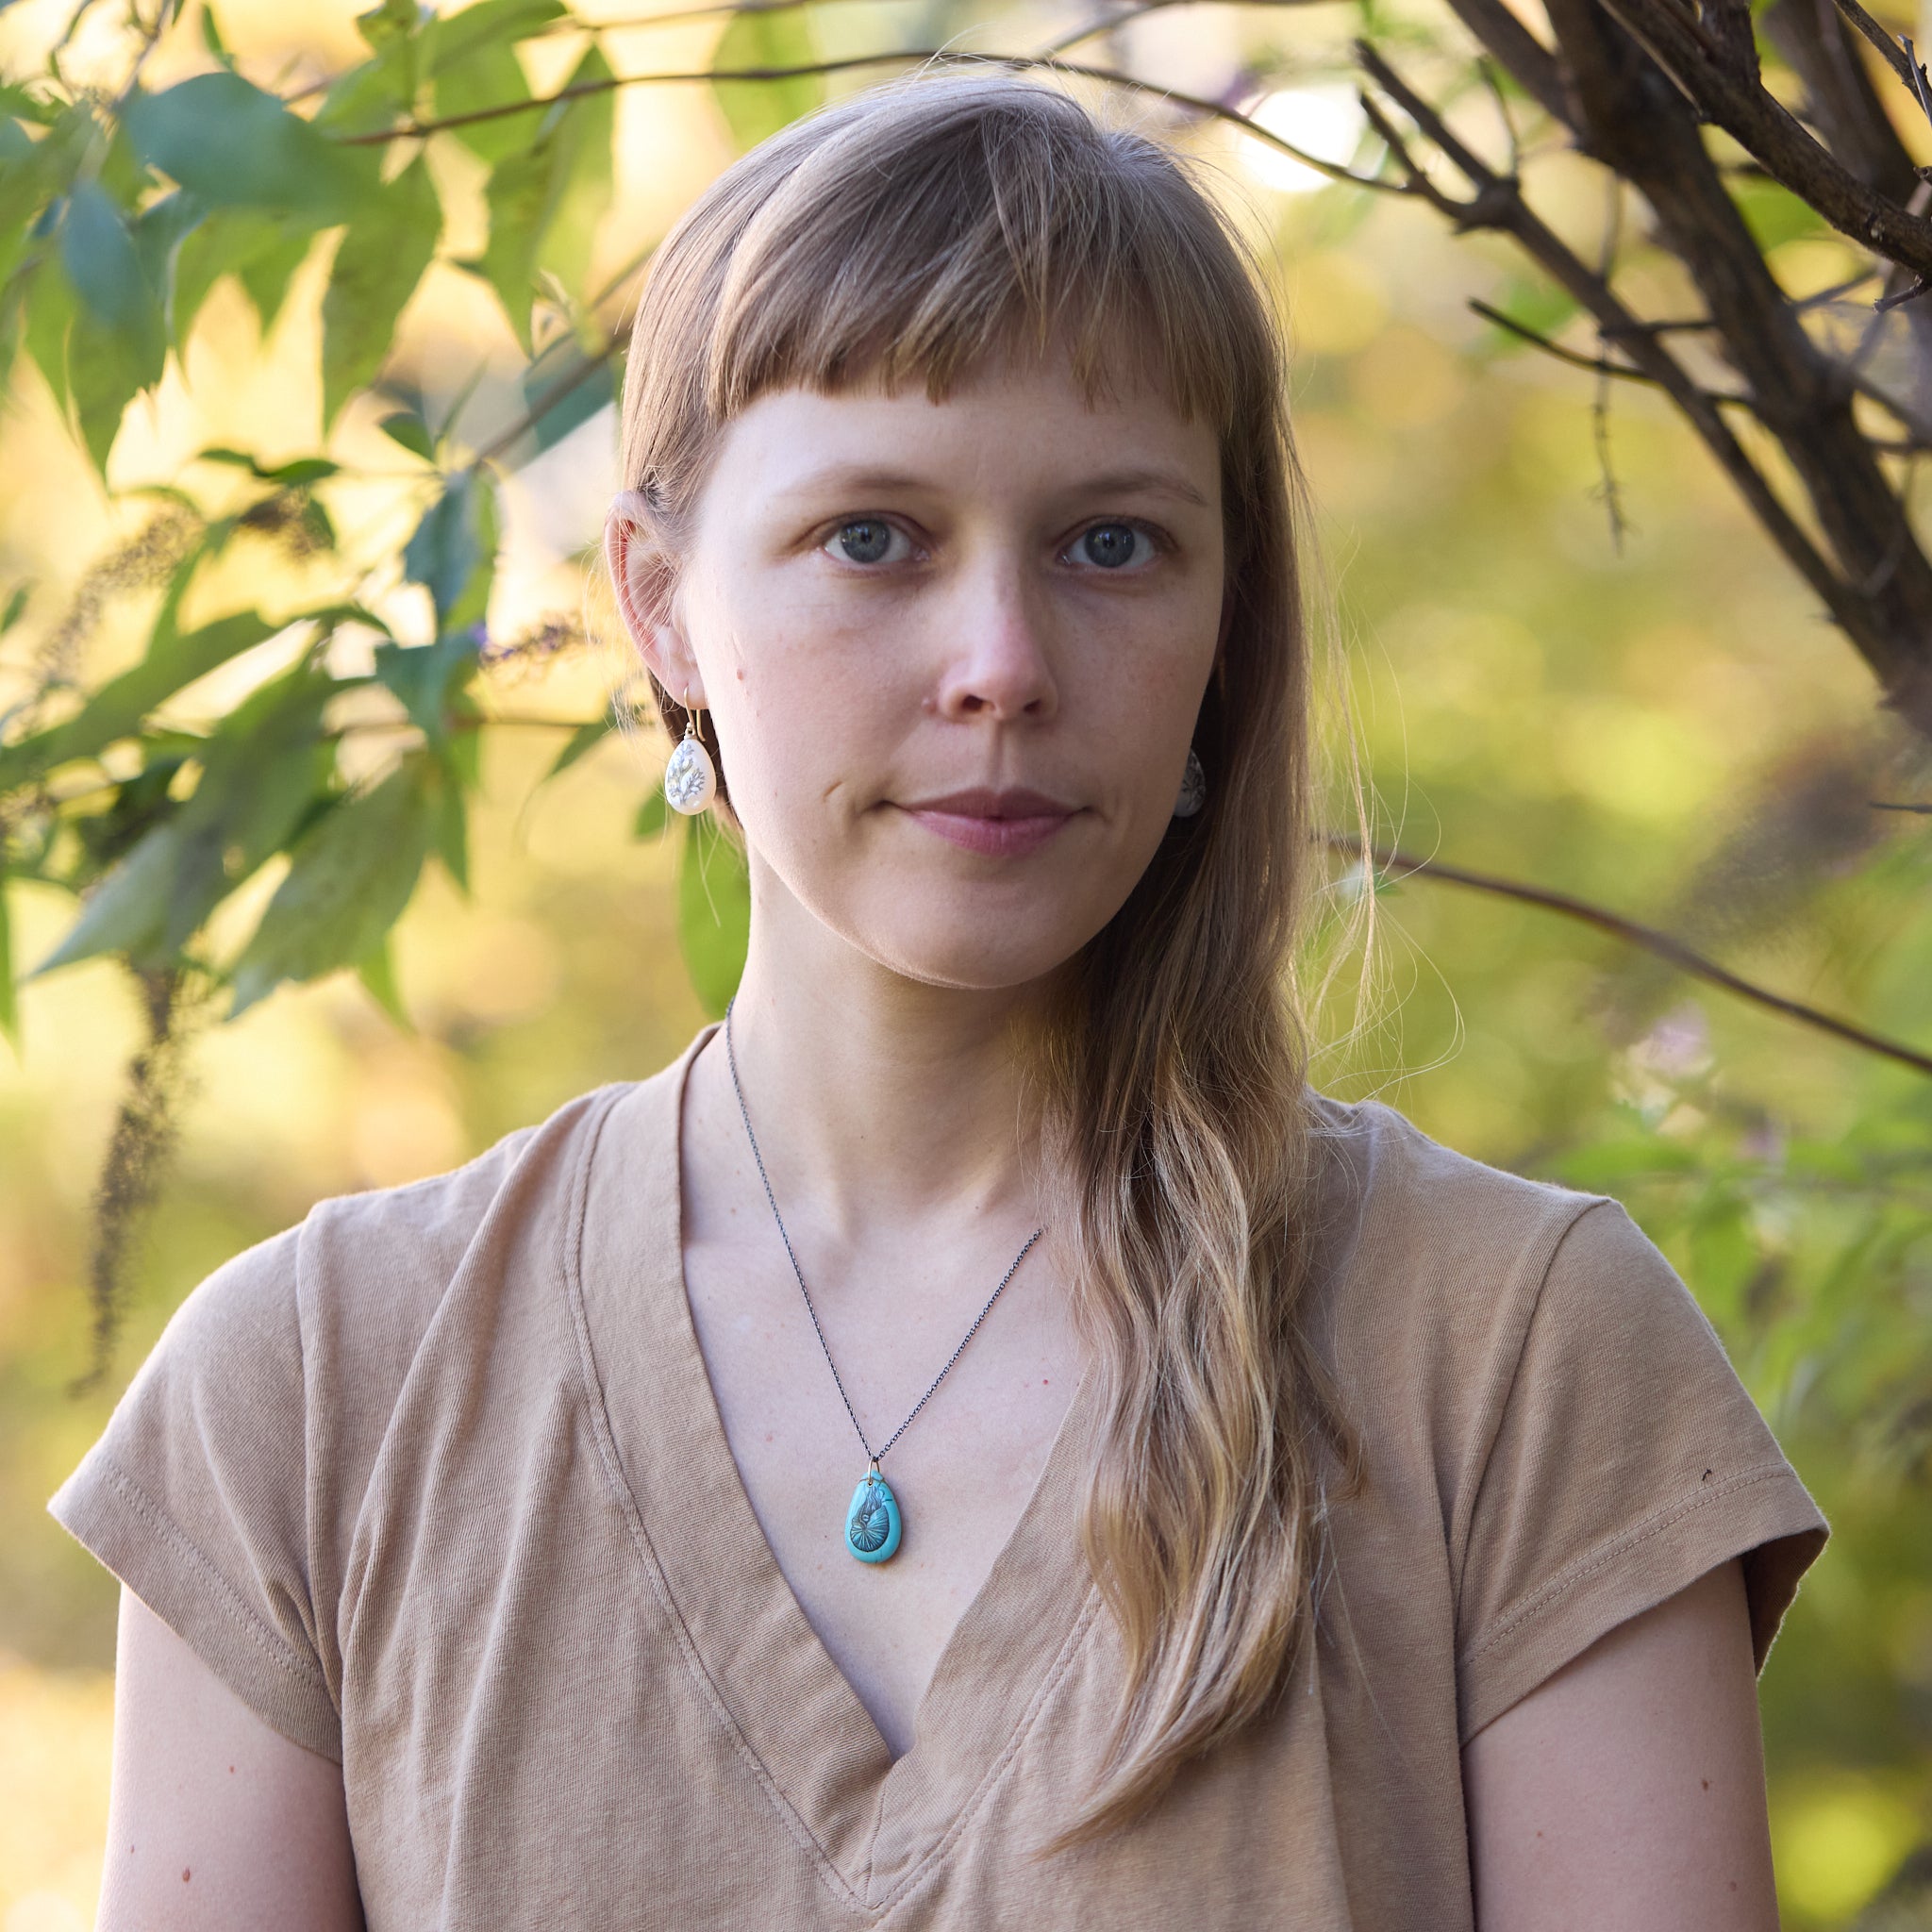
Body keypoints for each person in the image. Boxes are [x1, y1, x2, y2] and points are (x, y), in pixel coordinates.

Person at [51, 71, 1828, 1930]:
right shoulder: (319, 1394)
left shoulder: (1516, 1359)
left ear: (1228, 622)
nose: (1000, 664)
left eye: (1111, 542)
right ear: (658, 605)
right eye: (875, 537)